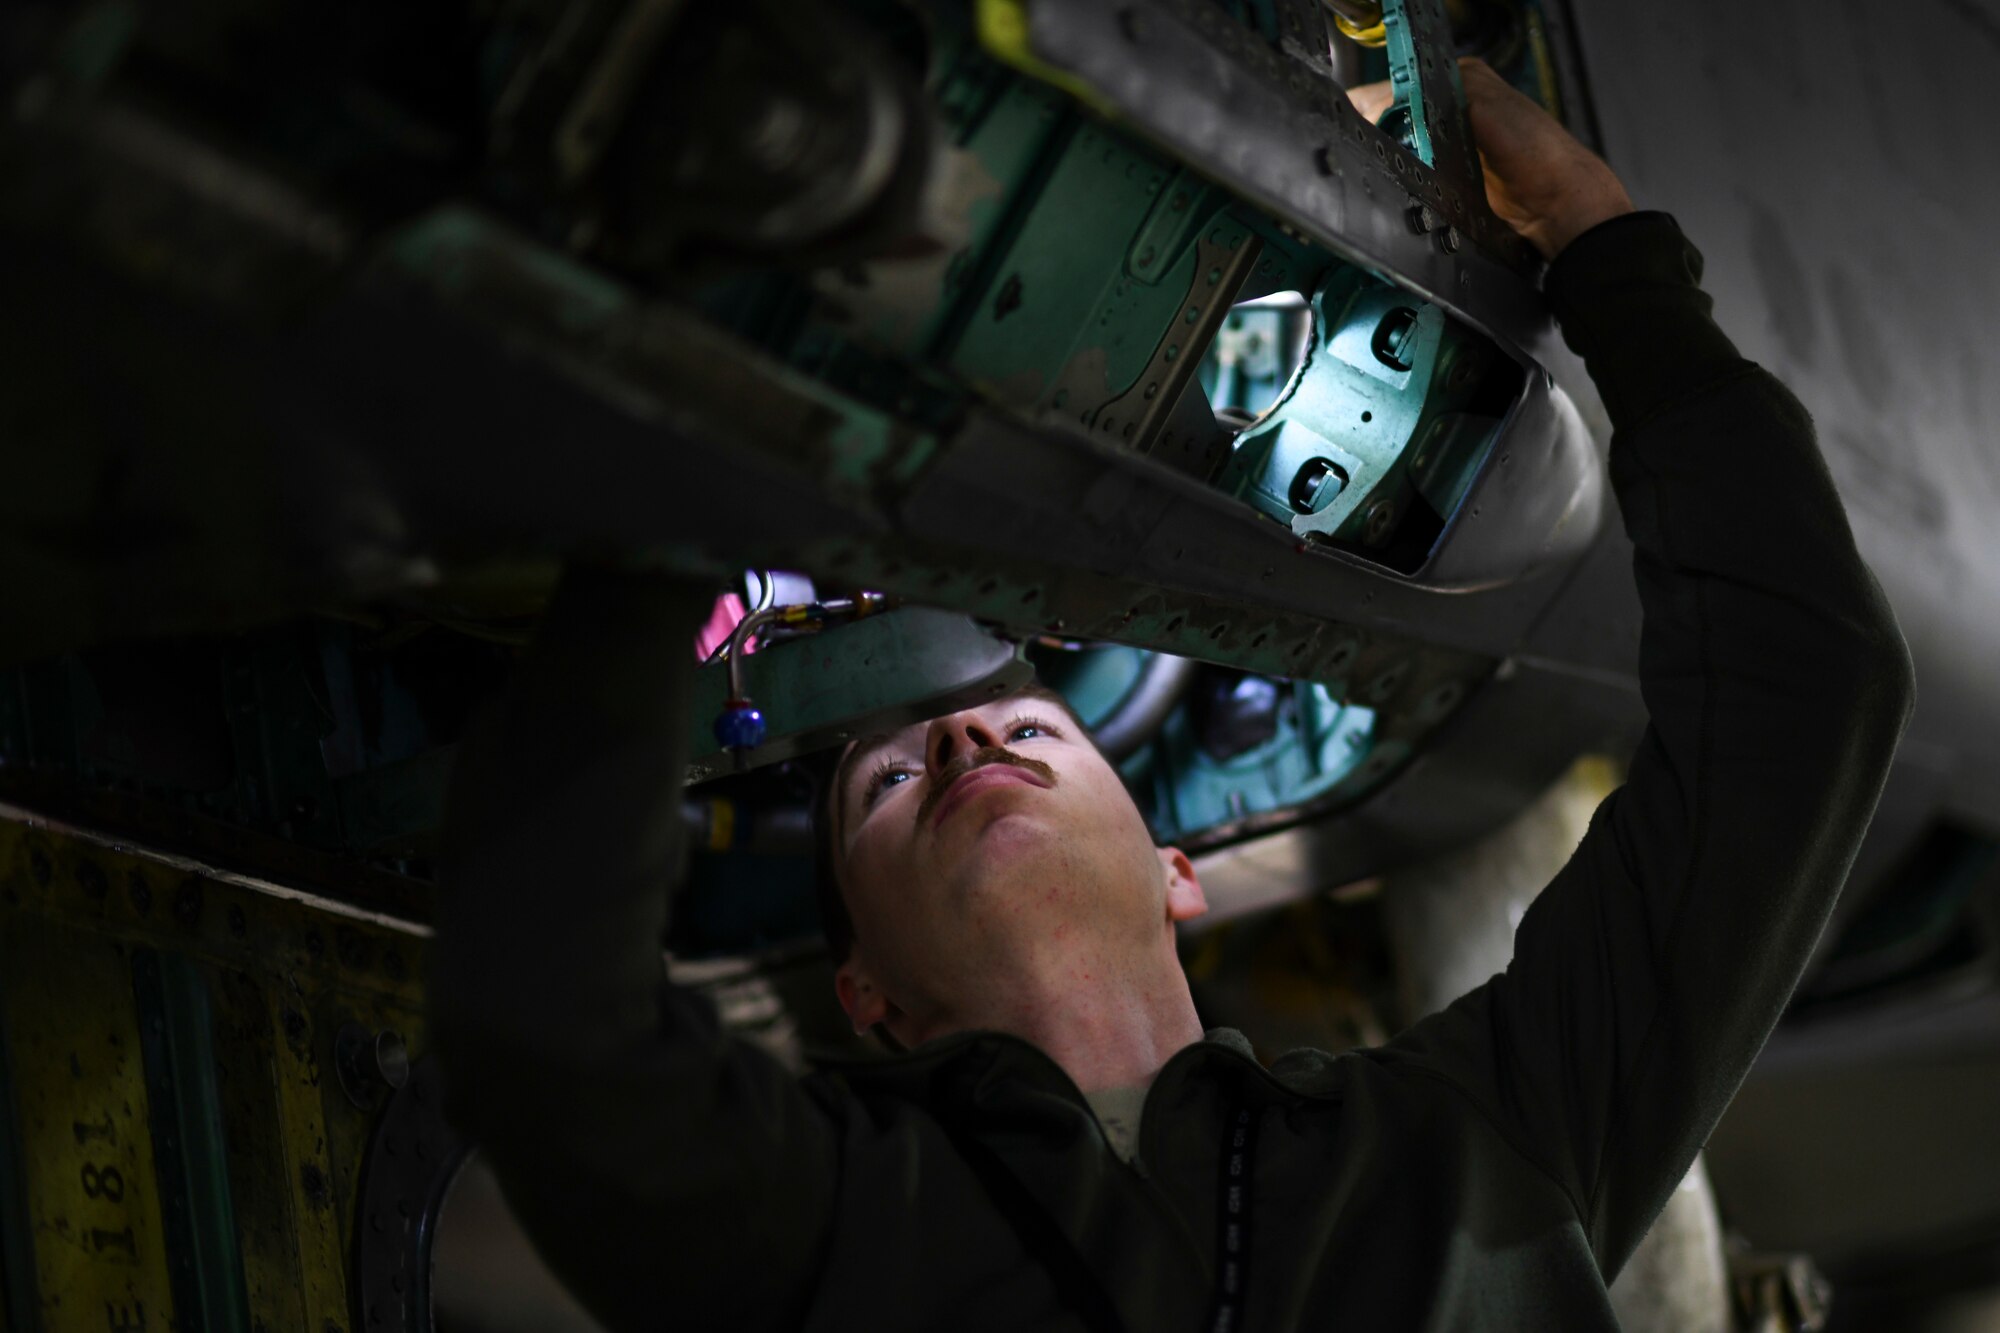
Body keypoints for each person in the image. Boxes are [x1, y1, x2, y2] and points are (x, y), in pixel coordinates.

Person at [429, 59, 1914, 1332]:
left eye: (1026, 728)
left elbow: (542, 1016)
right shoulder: (1498, 1143)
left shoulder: (837, 1254)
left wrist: (673, 456)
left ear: (1179, 869)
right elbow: (1801, 700)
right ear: (867, 997)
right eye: (883, 784)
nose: (960, 734)